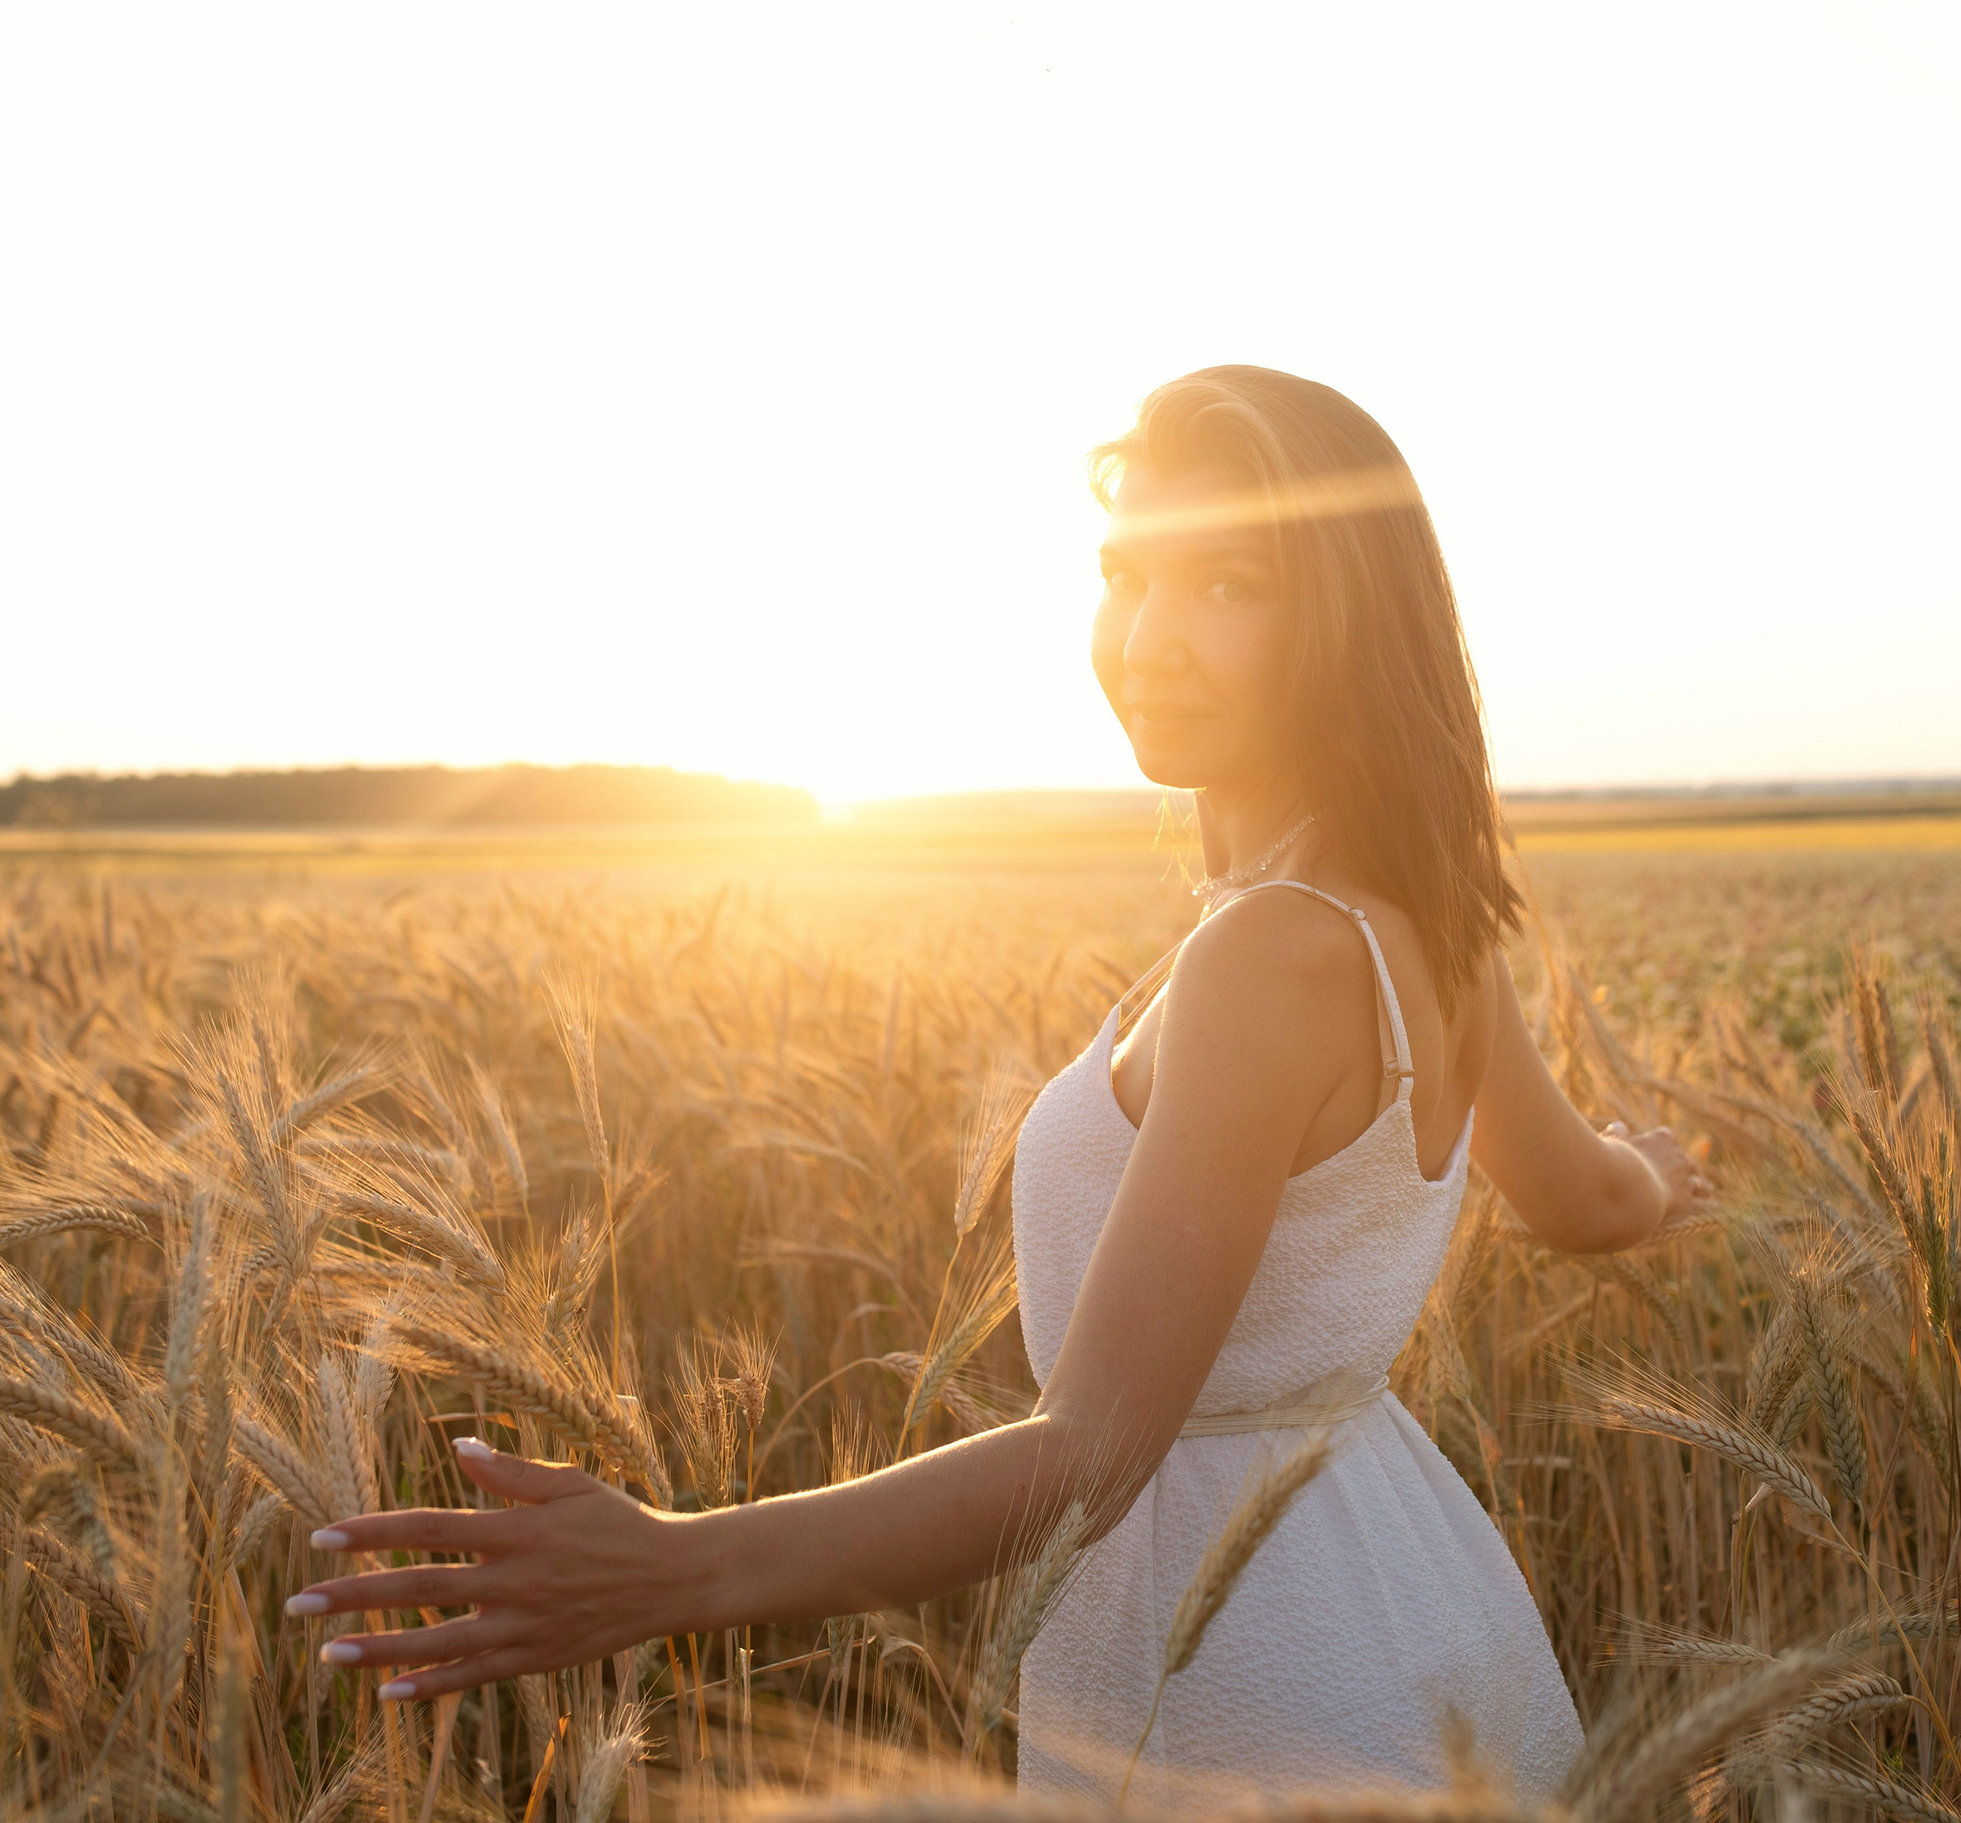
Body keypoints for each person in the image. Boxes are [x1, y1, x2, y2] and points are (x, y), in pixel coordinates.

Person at [287, 366, 1712, 1807]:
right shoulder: (1426, 920)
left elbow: (1088, 1461)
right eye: (1126, 574)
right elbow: (1586, 1194)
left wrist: (672, 1562)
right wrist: (1660, 1175)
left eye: (1231, 584)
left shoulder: (1269, 959)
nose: (1151, 639)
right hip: (1407, 1579)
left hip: (1249, 1670)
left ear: (1350, 615)